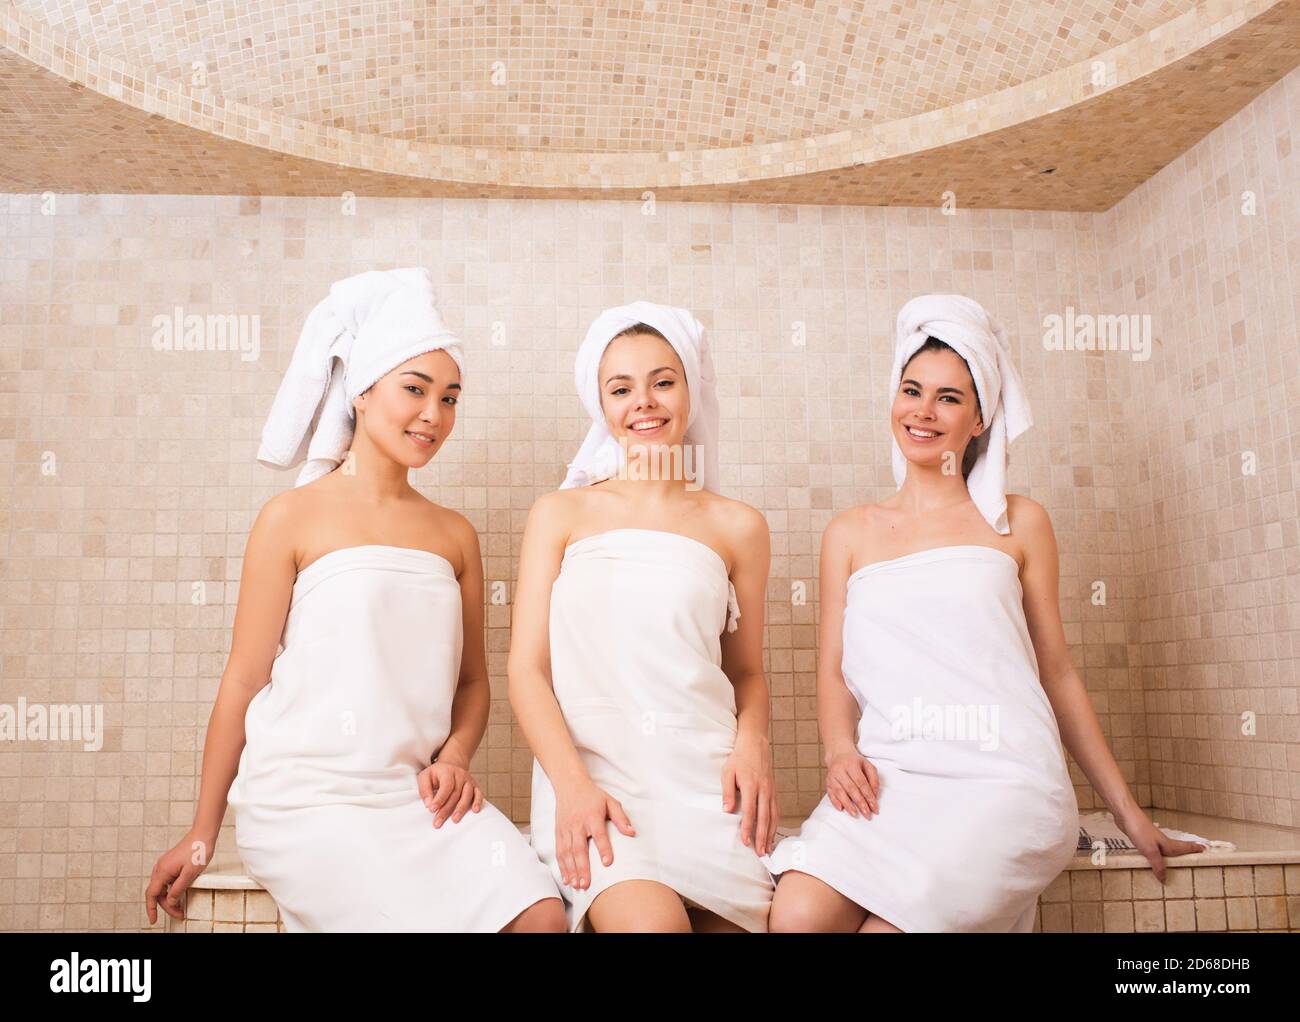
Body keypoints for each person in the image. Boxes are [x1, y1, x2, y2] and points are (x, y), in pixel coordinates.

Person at [764, 293, 1205, 932]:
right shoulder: (850, 533)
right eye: (911, 390)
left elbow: (1056, 673)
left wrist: (1127, 811)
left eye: (948, 398)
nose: (923, 411)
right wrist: (838, 752)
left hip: (1003, 783)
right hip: (893, 780)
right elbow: (832, 670)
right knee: (796, 918)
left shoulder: (1018, 523)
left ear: (979, 420)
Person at [145, 268, 563, 932]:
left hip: (416, 800)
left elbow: (475, 683)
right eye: (415, 390)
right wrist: (202, 830)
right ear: (362, 394)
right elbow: (245, 679)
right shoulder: (291, 518)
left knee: (541, 913)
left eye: (451, 398)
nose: (434, 414)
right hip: (309, 803)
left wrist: (454, 758)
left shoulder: (455, 535)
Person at [508, 301, 777, 932]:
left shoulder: (739, 526)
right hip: (598, 784)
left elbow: (748, 674)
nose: (644, 403)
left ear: (690, 388)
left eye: (663, 381)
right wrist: (571, 787)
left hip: (710, 788)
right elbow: (526, 669)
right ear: (601, 406)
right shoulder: (561, 514)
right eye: (621, 389)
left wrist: (754, 743)